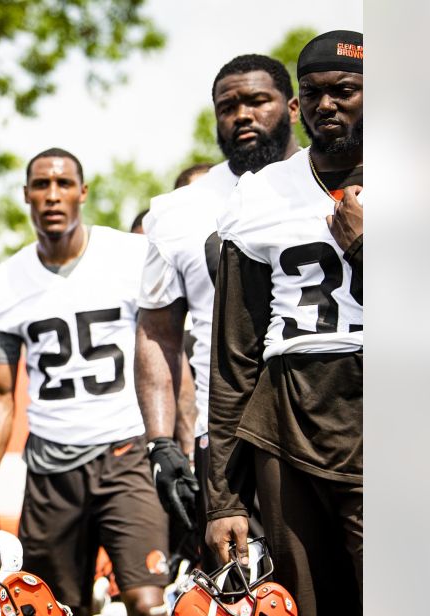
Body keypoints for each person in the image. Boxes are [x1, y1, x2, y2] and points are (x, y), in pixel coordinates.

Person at [0, 148, 186, 616]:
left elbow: (170, 353)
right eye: (40, 184)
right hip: (51, 470)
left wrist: (178, 445)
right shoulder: (6, 280)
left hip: (126, 456)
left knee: (150, 607)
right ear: (26, 196)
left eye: (63, 183)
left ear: (83, 192)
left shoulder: (131, 256)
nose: (51, 194)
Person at [205, 31, 363, 616]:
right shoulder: (262, 194)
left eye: (347, 92)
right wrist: (222, 499)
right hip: (287, 420)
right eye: (317, 94)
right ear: (297, 105)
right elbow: (233, 354)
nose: (329, 106)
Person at [135, 54, 301, 564]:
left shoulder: (334, 183)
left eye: (257, 100)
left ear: (293, 107)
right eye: (228, 106)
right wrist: (162, 445)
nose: (242, 114)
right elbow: (158, 336)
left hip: (326, 421)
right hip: (225, 437)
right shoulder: (177, 210)